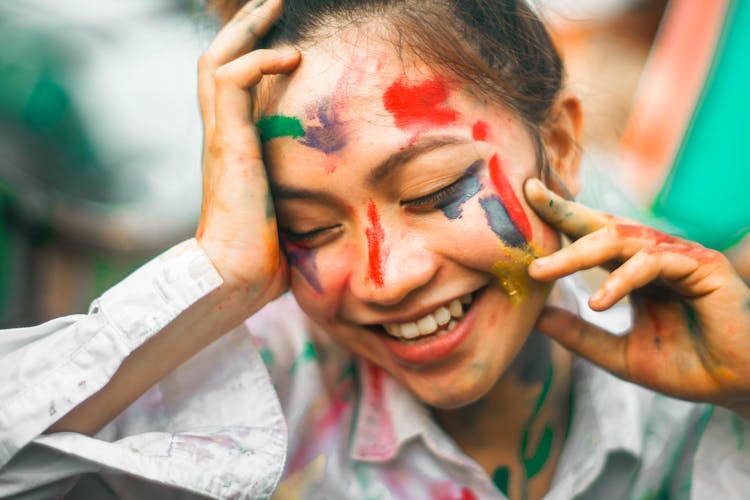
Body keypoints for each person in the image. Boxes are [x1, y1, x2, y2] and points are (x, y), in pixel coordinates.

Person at [1, 0, 749, 498]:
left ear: (558, 142)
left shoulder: (699, 357)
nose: (387, 280)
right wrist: (219, 276)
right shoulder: (245, 401)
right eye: (310, 227)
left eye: (433, 191)